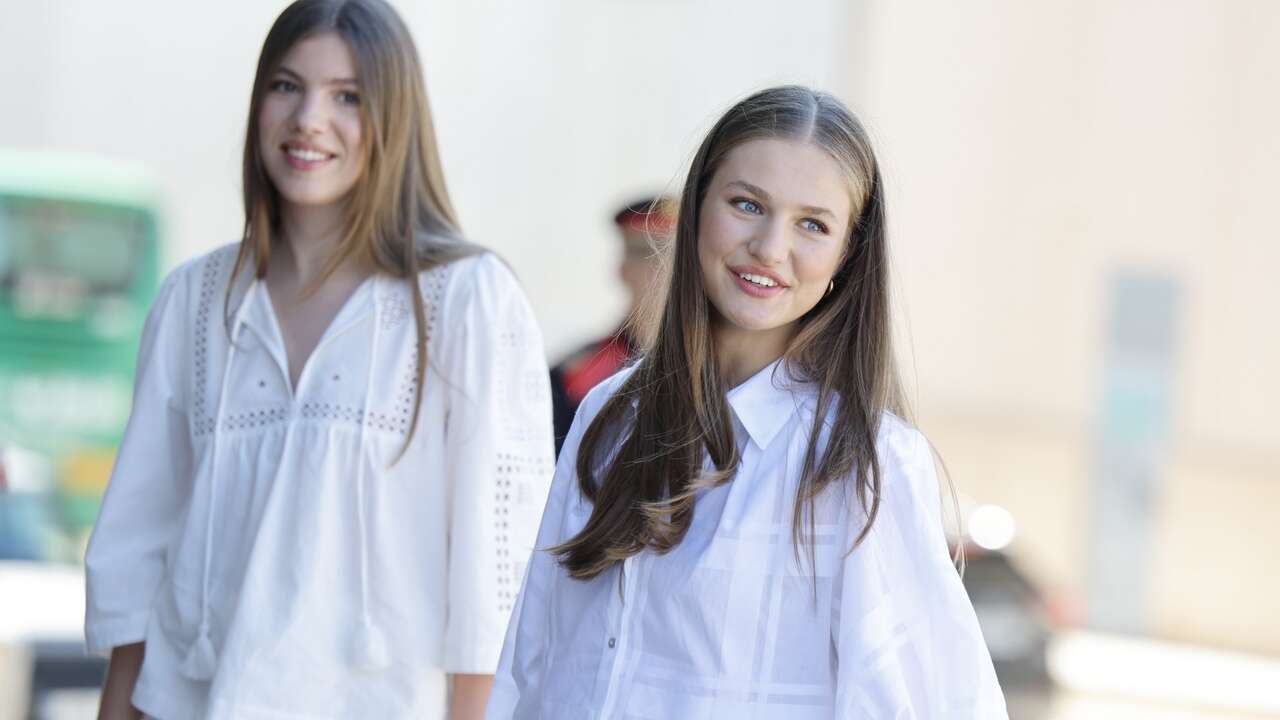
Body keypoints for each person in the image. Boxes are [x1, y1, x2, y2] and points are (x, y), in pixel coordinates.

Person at [84, 2, 554, 718]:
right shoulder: (193, 300)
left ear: (395, 119)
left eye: (348, 97)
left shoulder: (468, 300)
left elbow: (499, 584)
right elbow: (138, 554)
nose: (308, 118)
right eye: (285, 86)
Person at [486, 86, 1008, 719]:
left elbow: (929, 706)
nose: (769, 247)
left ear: (849, 254)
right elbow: (533, 668)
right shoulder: (609, 415)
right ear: (699, 208)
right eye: (746, 204)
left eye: (812, 224)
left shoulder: (865, 466)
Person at [548, 197, 672, 455]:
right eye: (651, 254)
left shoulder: (723, 370)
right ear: (623, 267)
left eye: (675, 257)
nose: (665, 269)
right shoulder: (579, 376)